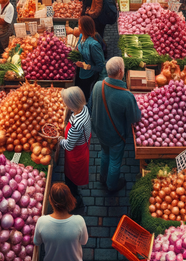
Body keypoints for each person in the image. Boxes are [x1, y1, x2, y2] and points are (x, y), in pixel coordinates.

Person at [91, 57, 141, 193]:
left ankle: (102, 177)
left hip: (100, 131)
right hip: (115, 135)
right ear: (120, 71)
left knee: (105, 153)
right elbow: (135, 117)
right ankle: (112, 185)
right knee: (115, 160)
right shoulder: (126, 96)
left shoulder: (97, 85)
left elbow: (92, 106)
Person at [33, 182, 88, 260]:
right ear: (69, 199)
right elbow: (83, 241)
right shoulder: (79, 221)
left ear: (51, 200)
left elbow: (36, 242)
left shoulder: (42, 221)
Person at [58, 87, 92, 208]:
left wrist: (58, 139)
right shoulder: (84, 109)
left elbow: (69, 146)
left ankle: (75, 202)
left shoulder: (75, 124)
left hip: (76, 156)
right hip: (83, 148)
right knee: (73, 182)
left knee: (71, 182)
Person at [72, 16, 107, 101]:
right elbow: (79, 48)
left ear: (84, 27)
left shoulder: (94, 45)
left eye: (79, 25)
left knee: (84, 96)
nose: (78, 27)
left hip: (88, 77)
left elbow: (100, 66)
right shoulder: (81, 37)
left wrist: (86, 66)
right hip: (79, 73)